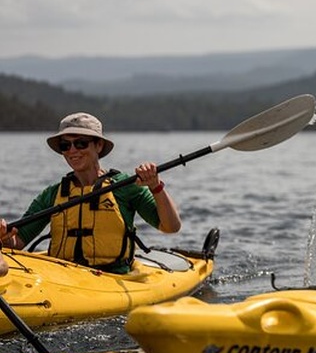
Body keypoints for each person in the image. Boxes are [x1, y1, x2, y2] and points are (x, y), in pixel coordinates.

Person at [0, 112, 182, 274]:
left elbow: (171, 227)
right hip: (62, 277)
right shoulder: (52, 194)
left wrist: (155, 186)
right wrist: (4, 236)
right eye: (65, 145)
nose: (72, 151)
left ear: (99, 145)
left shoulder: (125, 187)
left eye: (80, 143)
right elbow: (18, 242)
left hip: (111, 276)